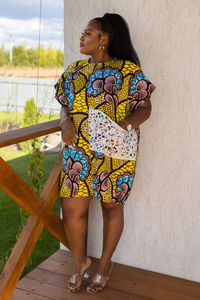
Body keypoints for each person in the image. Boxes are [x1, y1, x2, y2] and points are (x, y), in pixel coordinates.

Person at [54, 12, 156, 293]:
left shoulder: (129, 72)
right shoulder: (75, 70)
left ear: (104, 40)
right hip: (78, 152)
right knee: (71, 208)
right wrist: (65, 122)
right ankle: (80, 262)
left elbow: (145, 109)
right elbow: (64, 103)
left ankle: (105, 264)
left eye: (87, 33)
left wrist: (123, 125)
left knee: (112, 207)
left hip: (115, 152)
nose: (81, 37)